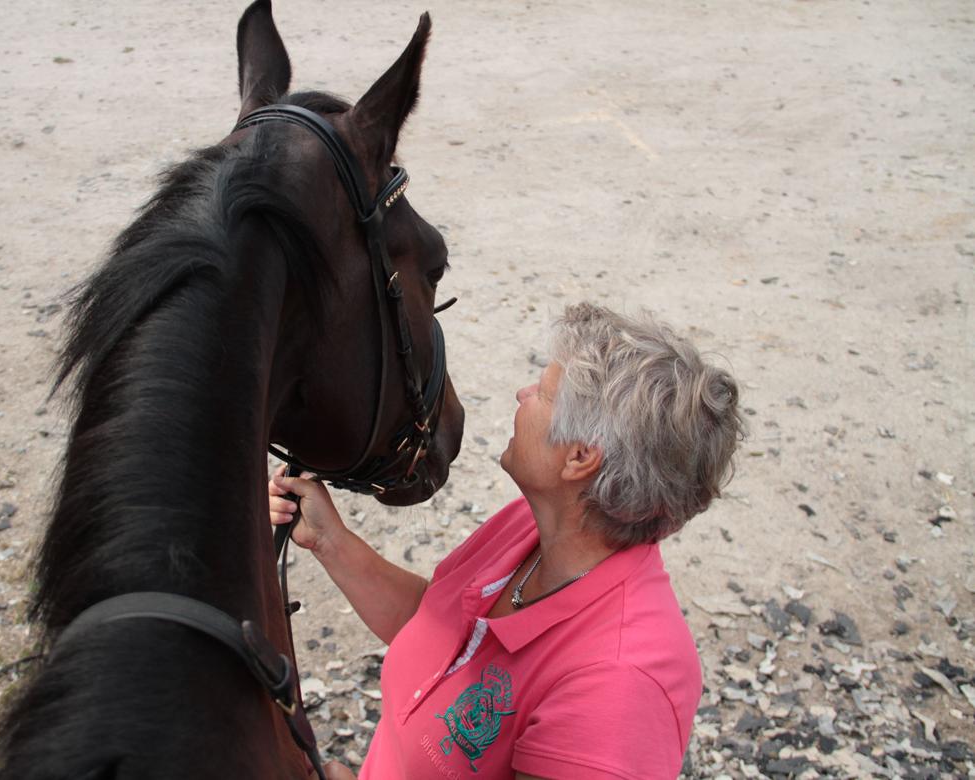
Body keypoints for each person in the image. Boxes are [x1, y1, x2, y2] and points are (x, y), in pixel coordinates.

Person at [269, 302, 745, 780]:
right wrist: (331, 541)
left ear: (580, 458)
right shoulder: (534, 526)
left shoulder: (620, 683)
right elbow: (437, 632)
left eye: (542, 392)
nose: (523, 394)